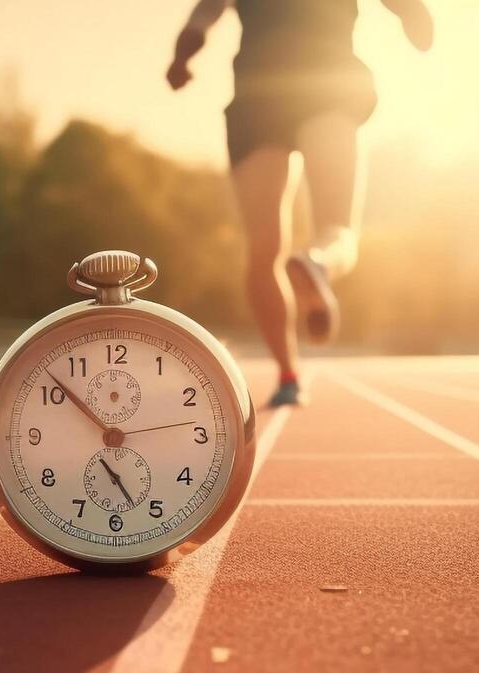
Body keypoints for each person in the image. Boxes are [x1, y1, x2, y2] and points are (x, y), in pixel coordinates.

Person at [168, 0, 432, 407]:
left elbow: (206, 12)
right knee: (339, 231)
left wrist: (183, 56)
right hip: (325, 79)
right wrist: (416, 18)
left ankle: (289, 375)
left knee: (262, 251)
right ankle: (318, 263)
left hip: (259, 92)